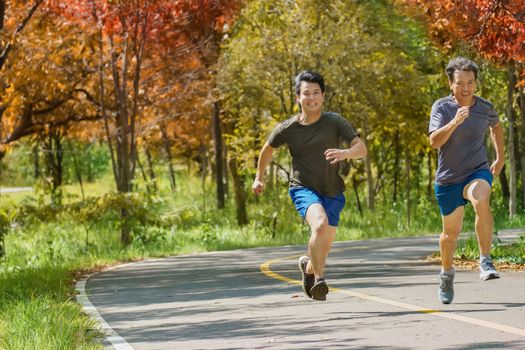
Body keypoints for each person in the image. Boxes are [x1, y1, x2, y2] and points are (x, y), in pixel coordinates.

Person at [252, 70, 367, 301]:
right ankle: (320, 280)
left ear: (323, 96)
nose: (311, 98)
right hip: (303, 188)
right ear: (298, 97)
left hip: (333, 191)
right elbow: (267, 149)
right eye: (306, 93)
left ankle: (309, 268)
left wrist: (345, 153)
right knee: (320, 224)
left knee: (323, 245)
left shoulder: (334, 122)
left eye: (316, 93)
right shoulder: (288, 128)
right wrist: (259, 177)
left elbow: (361, 149)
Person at [428, 57, 505, 304]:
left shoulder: (484, 107)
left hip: (477, 170)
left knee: (480, 197)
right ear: (450, 83)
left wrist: (500, 157)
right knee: (450, 234)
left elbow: (496, 126)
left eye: (470, 82)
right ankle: (446, 273)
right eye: (460, 83)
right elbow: (434, 142)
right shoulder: (441, 108)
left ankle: (484, 259)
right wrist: (455, 122)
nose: (466, 88)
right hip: (448, 178)